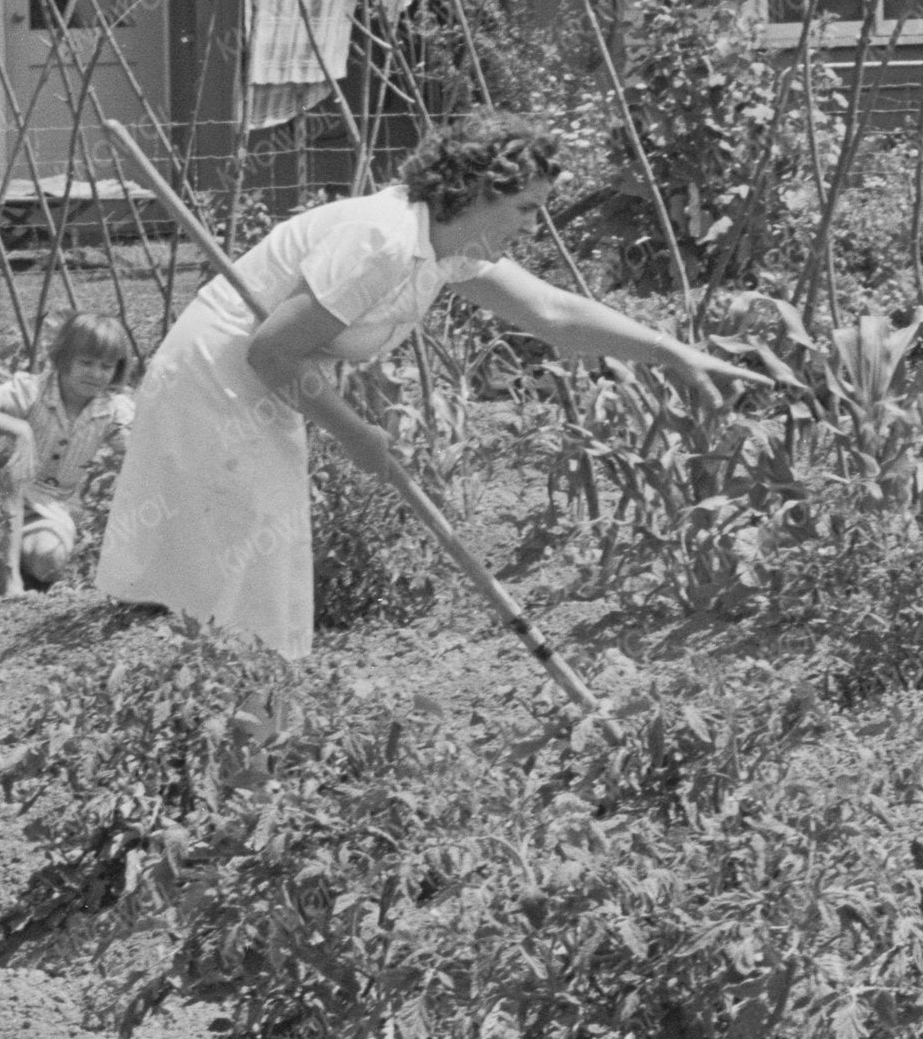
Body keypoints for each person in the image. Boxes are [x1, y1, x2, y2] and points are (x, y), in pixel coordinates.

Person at [92, 108, 745, 664]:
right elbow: (272, 349)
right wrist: (357, 435)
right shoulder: (382, 238)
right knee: (238, 576)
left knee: (257, 572)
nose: (531, 226)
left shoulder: (445, 246)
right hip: (218, 382)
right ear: (481, 191)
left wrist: (672, 352)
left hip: (260, 381)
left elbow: (553, 313)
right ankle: (231, 743)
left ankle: (244, 735)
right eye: (525, 208)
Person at [0, 314, 135, 589]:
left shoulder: (113, 409)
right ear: (64, 358)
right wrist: (20, 429)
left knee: (49, 560)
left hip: (50, 507)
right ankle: (8, 575)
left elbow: (138, 456)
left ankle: (8, 557)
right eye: (85, 362)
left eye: (106, 366)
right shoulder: (32, 390)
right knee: (11, 463)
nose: (95, 374)